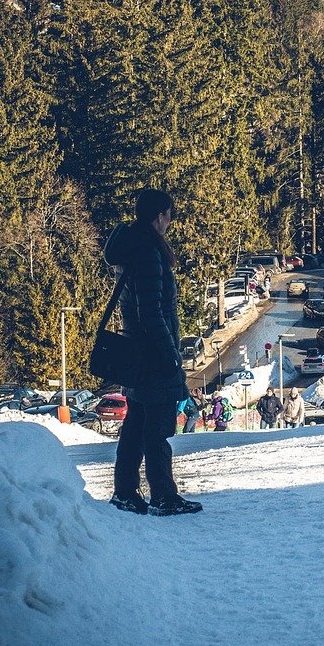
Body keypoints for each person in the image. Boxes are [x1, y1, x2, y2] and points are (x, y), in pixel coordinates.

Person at [105, 188, 203, 516]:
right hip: (151, 354)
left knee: (137, 422)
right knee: (158, 427)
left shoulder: (133, 246)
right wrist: (169, 354)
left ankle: (126, 492)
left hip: (136, 350)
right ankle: (162, 495)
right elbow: (151, 311)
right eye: (169, 215)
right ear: (159, 216)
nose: (170, 221)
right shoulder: (147, 250)